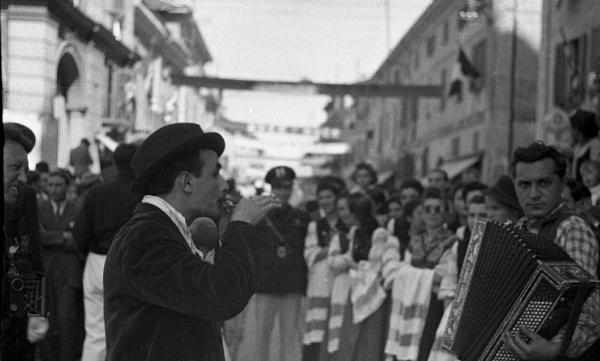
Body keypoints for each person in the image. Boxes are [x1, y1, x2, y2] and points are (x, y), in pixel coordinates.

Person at [103, 123, 281, 361]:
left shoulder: (163, 230)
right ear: (186, 182)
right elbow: (223, 296)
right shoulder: (146, 236)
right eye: (215, 174)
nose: (224, 185)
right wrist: (241, 227)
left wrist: (231, 234)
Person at [504, 141, 600, 360]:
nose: (534, 194)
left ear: (562, 184)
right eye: (524, 185)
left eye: (544, 183)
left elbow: (588, 304)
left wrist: (557, 348)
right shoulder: (515, 230)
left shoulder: (571, 228)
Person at [73, 143, 141, 361]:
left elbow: (79, 234)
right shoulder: (144, 195)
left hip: (97, 261)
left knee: (95, 335)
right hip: (131, 265)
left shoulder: (97, 192)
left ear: (114, 163)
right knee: (130, 334)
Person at [235, 166, 310, 361]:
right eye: (278, 188)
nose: (283, 192)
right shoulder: (259, 216)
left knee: (289, 339)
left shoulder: (301, 218)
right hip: (266, 284)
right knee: (261, 338)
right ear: (271, 188)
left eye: (287, 188)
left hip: (292, 284)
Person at [2, 123, 49, 360]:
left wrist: (36, 311)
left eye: (26, 168)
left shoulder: (23, 195)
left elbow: (29, 254)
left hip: (10, 320)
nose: (23, 176)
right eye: (15, 167)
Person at [327, 192, 390, 361]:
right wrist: (352, 264)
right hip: (355, 289)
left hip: (373, 291)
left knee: (370, 337)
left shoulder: (379, 233)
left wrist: (353, 265)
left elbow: (376, 267)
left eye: (351, 211)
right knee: (350, 335)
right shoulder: (355, 231)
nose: (347, 214)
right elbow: (349, 256)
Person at [38, 169, 85, 361]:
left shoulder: (78, 208)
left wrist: (52, 236)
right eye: (50, 185)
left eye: (58, 185)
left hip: (69, 273)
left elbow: (79, 239)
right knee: (45, 319)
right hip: (45, 270)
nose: (53, 189)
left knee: (67, 320)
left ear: (67, 186)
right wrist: (63, 236)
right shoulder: (39, 207)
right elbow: (38, 235)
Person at [408, 188, 457, 361]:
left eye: (438, 209)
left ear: (446, 213)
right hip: (412, 303)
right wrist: (428, 277)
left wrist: (413, 275)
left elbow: (445, 274)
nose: (432, 214)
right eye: (428, 209)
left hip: (435, 306)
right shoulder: (414, 239)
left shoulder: (452, 240)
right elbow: (402, 270)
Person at [303, 178, 346, 361]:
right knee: (317, 328)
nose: (325, 201)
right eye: (321, 198)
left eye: (328, 197)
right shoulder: (315, 225)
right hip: (320, 280)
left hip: (341, 278)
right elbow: (309, 254)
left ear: (336, 198)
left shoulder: (346, 222)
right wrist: (332, 249)